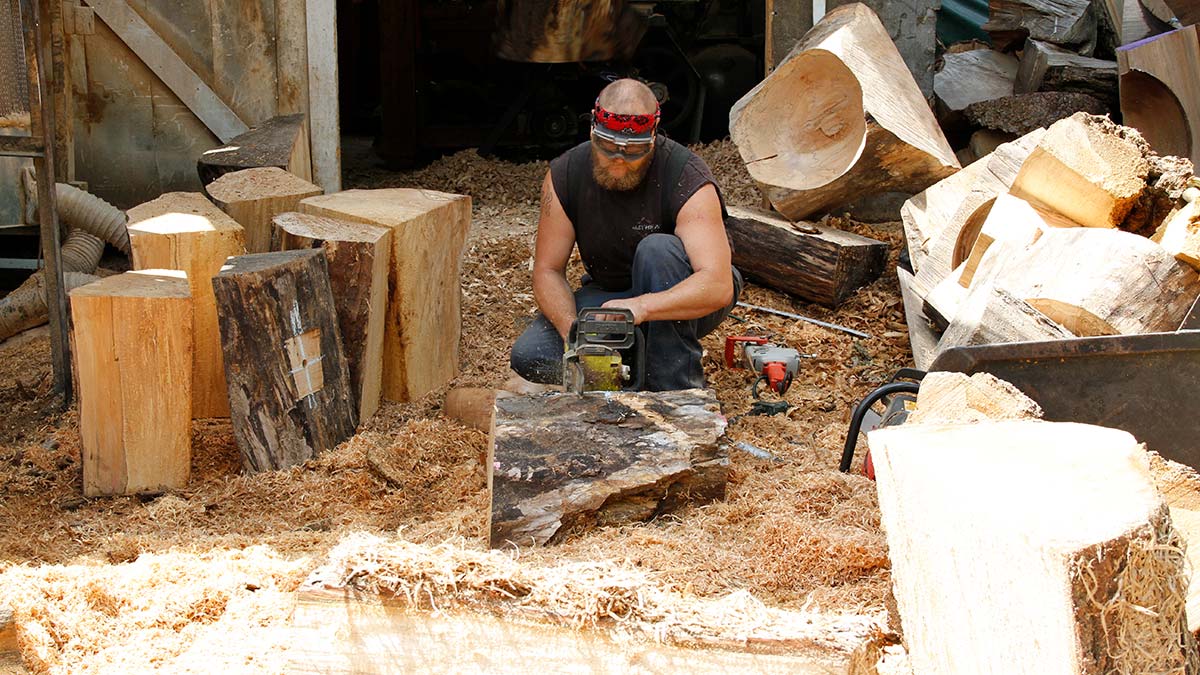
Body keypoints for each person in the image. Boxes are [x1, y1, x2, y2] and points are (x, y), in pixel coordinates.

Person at [509, 78, 743, 391]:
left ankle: (674, 389)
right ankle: (631, 367)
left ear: (653, 138)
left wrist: (643, 307)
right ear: (593, 132)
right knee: (530, 355)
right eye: (608, 150)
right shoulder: (565, 174)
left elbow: (717, 286)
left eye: (635, 153)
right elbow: (548, 270)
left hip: (681, 293)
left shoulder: (686, 176)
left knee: (658, 250)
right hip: (611, 294)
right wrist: (574, 333)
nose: (620, 161)